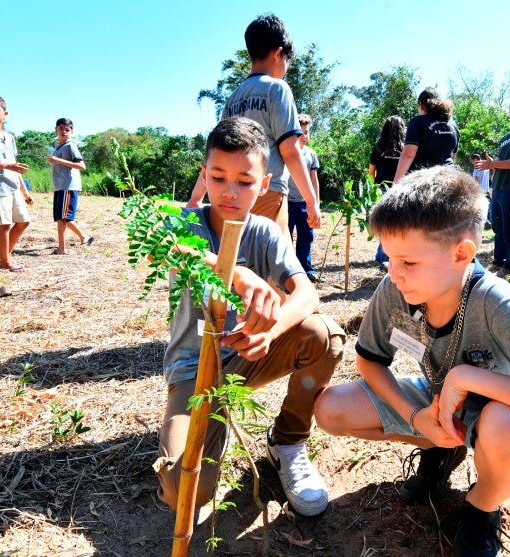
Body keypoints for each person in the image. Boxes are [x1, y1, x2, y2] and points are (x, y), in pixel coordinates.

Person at [314, 166, 510, 557]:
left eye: (409, 262)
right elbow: (370, 363)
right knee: (332, 409)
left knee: (509, 428)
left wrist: (467, 377)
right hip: (438, 401)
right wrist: (418, 417)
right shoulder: (395, 288)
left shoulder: (493, 300)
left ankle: (482, 506)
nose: (395, 274)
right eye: (389, 259)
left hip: (509, 416)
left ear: (461, 254)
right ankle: (443, 446)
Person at [154, 117, 345, 517]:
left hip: (247, 358)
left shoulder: (266, 232)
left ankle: (287, 442)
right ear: (204, 176)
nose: (230, 191)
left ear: (263, 185)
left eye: (244, 181)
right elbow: (164, 249)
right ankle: (212, 423)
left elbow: (307, 293)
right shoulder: (184, 225)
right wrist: (232, 270)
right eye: (219, 177)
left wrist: (270, 333)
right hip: (194, 370)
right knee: (182, 491)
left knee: (322, 334)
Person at [186, 14, 320, 235]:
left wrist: (196, 197)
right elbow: (290, 150)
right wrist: (311, 199)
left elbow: (217, 153)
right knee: (277, 262)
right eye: (286, 59)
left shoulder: (233, 97)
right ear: (278, 53)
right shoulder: (277, 88)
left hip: (234, 194)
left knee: (237, 258)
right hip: (268, 190)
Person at [474, 96, 510, 274]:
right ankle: (498, 260)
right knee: (498, 228)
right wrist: (490, 165)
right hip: (498, 188)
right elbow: (504, 161)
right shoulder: (506, 136)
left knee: (508, 228)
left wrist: (494, 164)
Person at [0, 94, 33, 272]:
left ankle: (2, 254)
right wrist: (5, 165)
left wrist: (25, 191)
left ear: (6, 113)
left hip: (12, 186)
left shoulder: (9, 137)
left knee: (23, 221)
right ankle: (5, 261)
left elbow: (15, 166)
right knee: (4, 224)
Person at [392, 88, 459, 183]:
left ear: (421, 105)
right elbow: (453, 155)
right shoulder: (453, 125)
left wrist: (396, 183)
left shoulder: (418, 121)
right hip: (450, 177)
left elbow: (408, 154)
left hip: (422, 179)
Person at [48, 117, 91, 254]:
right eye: (61, 129)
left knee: (63, 217)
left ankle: (62, 248)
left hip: (68, 186)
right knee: (62, 217)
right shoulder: (58, 147)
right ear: (56, 130)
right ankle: (84, 237)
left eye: (67, 130)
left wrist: (58, 160)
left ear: (72, 131)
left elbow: (81, 166)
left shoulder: (70, 146)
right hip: (60, 186)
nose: (64, 132)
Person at [287, 114, 322, 282]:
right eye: (300, 133)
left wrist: (316, 203)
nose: (304, 136)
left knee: (306, 237)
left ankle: (306, 270)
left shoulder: (311, 155)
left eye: (307, 132)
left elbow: (314, 180)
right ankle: (287, 273)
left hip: (304, 203)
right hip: (286, 203)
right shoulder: (285, 153)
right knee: (285, 238)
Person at [369, 115, 405, 266]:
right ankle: (386, 256)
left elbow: (371, 172)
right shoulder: (405, 148)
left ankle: (382, 256)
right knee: (396, 225)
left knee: (383, 224)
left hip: (381, 190)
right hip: (399, 189)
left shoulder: (378, 147)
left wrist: (371, 189)